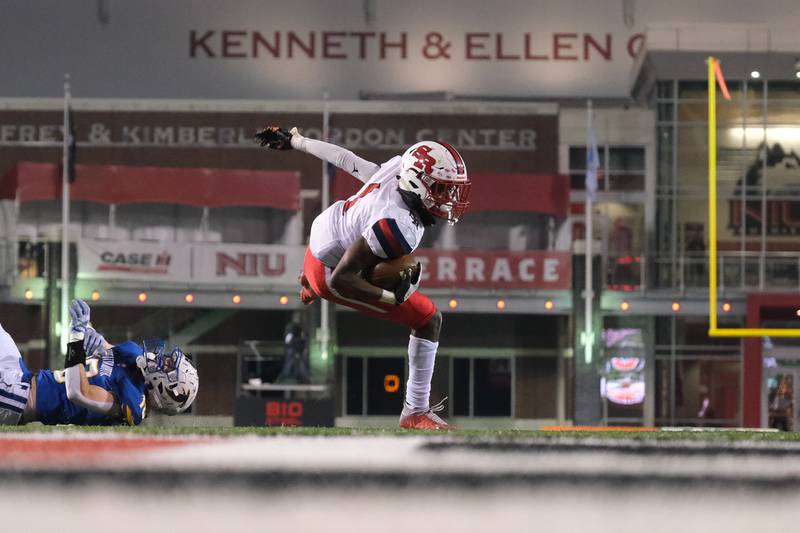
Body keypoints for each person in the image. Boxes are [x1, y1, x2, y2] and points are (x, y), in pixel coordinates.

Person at [255, 126, 471, 430]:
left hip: (327, 229)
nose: (448, 197)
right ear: (418, 184)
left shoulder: (399, 169)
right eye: (441, 189)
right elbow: (344, 279)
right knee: (427, 318)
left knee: (396, 264)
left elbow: (346, 159)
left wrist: (297, 141)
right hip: (331, 270)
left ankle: (309, 279)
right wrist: (390, 296)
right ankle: (415, 411)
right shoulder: (397, 225)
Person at [0, 299, 198, 426]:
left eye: (169, 366)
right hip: (22, 375)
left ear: (166, 390)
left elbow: (78, 392)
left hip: (18, 399)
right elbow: (102, 345)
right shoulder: (133, 357)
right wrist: (89, 330)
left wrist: (76, 336)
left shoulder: (131, 402)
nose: (163, 359)